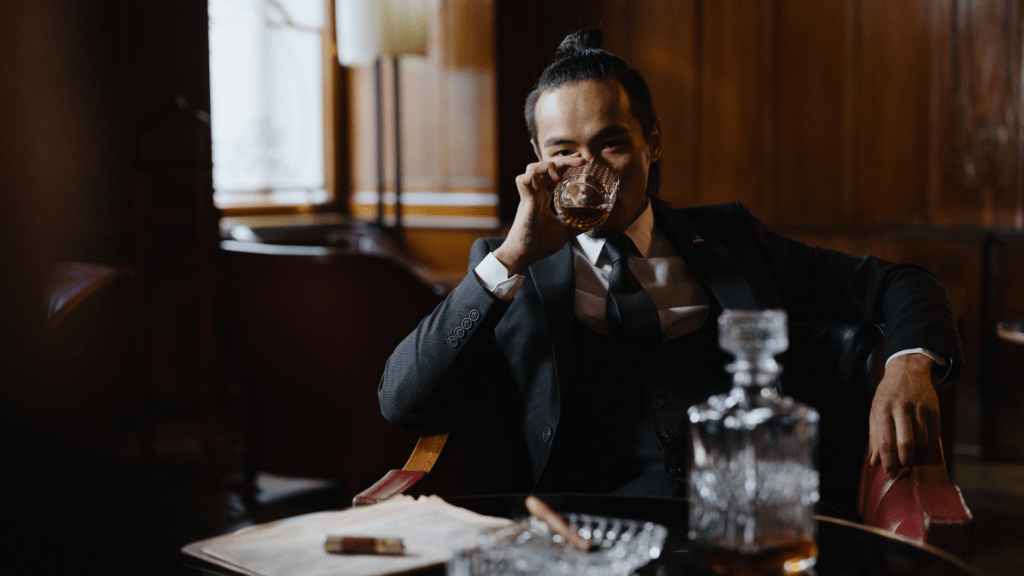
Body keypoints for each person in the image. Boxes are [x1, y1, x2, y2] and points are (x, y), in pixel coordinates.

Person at [378, 29, 965, 498]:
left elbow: (901, 283)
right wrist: (510, 258)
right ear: (537, 157)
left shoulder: (731, 238)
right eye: (563, 151)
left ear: (652, 141)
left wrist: (908, 365)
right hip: (580, 530)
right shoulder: (506, 267)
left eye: (611, 144)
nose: (588, 171)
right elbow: (400, 399)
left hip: (742, 520)